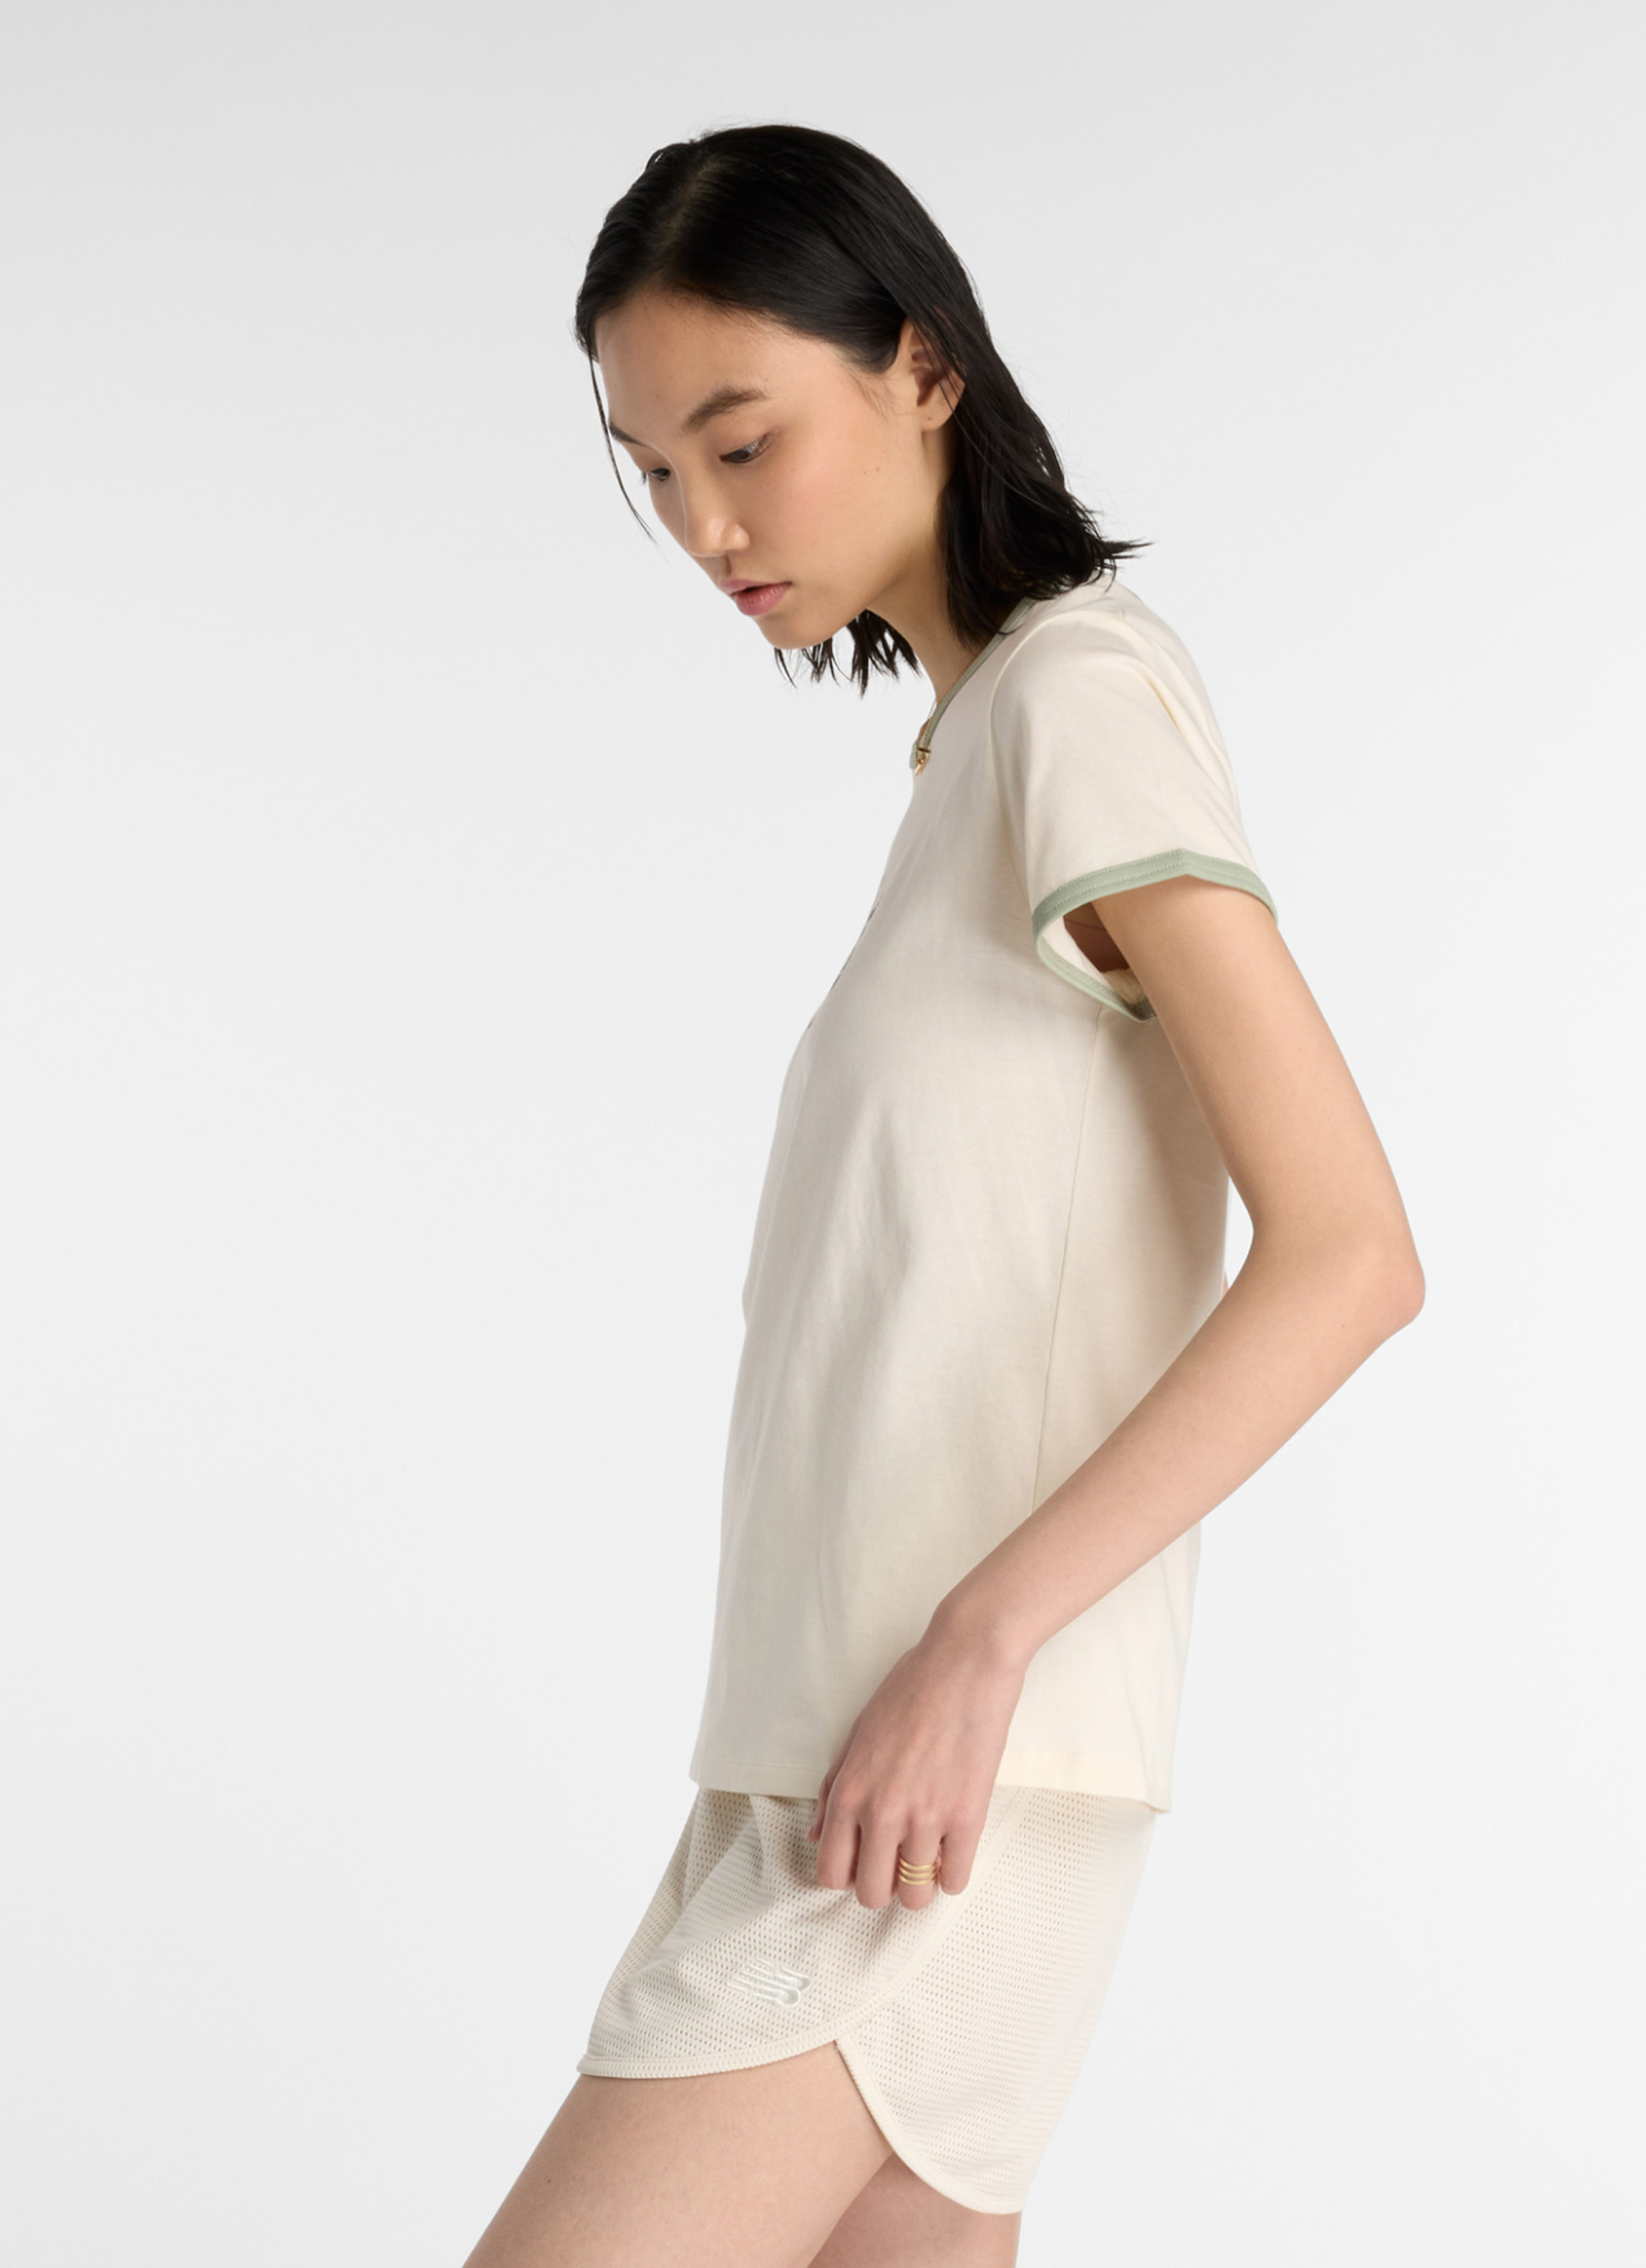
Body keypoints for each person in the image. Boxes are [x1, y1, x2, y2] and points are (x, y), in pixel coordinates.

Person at [463, 123, 1423, 2268]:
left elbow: (1351, 1253)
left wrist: (977, 1649)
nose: (705, 526)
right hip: (852, 1757)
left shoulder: (1078, 699)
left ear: (919, 365)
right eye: (652, 471)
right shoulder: (974, 749)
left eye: (742, 441)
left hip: (935, 1764)